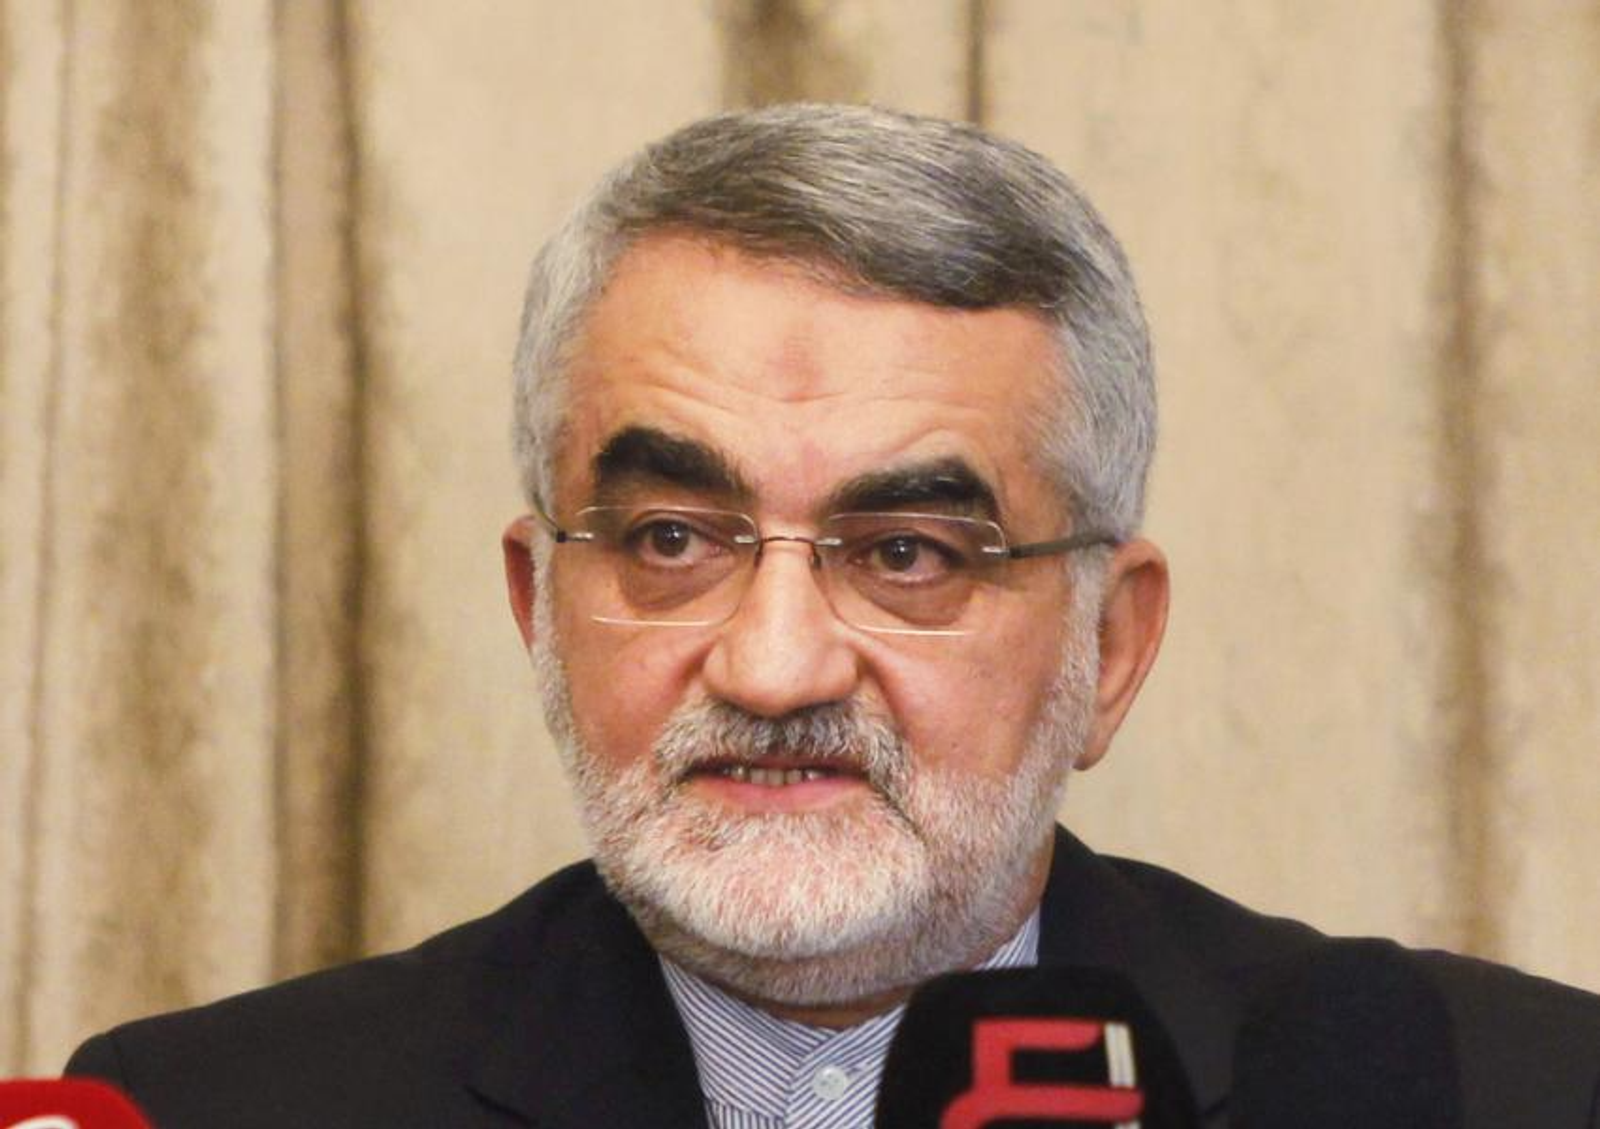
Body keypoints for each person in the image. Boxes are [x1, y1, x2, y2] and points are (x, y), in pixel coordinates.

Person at [67, 104, 1600, 1128]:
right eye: (673, 538)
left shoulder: (1511, 1092)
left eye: (910, 553)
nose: (775, 663)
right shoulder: (205, 1111)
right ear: (540, 608)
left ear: (1111, 647)